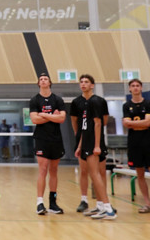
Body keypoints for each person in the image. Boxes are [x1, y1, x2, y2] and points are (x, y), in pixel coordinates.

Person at [69, 73, 116, 220]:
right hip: (86, 141)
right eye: (81, 82)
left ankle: (108, 209)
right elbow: (84, 127)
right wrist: (79, 145)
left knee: (96, 174)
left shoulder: (96, 101)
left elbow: (98, 123)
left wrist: (97, 146)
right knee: (92, 174)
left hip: (94, 143)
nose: (83, 84)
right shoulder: (83, 103)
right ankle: (101, 206)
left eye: (86, 82)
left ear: (92, 85)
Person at [29, 73, 66, 215]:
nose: (43, 81)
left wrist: (43, 115)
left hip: (56, 139)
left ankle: (53, 203)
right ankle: (39, 203)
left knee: (54, 171)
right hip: (41, 139)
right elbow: (34, 120)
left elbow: (62, 118)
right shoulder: (34, 100)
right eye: (41, 79)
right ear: (38, 83)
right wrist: (52, 116)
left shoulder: (58, 99)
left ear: (50, 82)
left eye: (46, 79)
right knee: (43, 169)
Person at [121, 78, 150, 213]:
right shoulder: (126, 106)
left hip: (148, 141)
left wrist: (132, 124)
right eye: (133, 86)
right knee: (139, 174)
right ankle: (147, 203)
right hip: (134, 143)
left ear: (141, 88)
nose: (135, 87)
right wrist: (141, 123)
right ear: (130, 89)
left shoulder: (148, 103)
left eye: (138, 85)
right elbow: (125, 123)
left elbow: (148, 123)